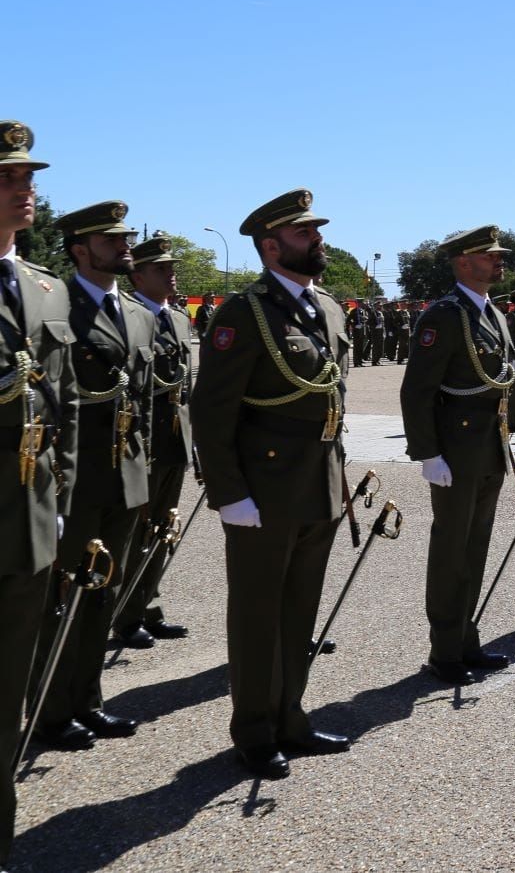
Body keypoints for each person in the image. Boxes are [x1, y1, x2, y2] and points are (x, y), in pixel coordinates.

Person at [191, 188, 353, 778]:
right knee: (259, 612)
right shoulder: (244, 312)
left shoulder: (329, 308)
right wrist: (229, 491)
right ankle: (254, 731)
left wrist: (337, 474)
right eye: (306, 233)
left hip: (316, 483)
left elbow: (333, 395)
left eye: (317, 231)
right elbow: (212, 410)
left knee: (300, 610)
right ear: (271, 245)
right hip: (263, 488)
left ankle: (291, 716)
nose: (318, 240)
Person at [30, 201, 155, 753]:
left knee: (104, 590)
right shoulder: (57, 305)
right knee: (64, 595)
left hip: (124, 473)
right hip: (76, 476)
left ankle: (88, 699)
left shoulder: (138, 312)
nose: (125, 245)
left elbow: (144, 396)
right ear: (80, 249)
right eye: (112, 239)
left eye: (126, 237)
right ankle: (51, 711)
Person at [0, 121, 79, 869]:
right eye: (9, 179)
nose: (27, 190)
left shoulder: (44, 287)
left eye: (28, 179)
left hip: (26, 521)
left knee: (9, 696)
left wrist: (62, 496)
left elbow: (65, 404)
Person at [400, 225, 515, 686]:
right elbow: (417, 391)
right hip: (456, 448)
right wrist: (428, 453)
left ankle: (467, 640)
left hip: (489, 446)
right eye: (490, 256)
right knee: (451, 551)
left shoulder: (493, 314)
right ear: (463, 262)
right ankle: (444, 652)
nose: (499, 261)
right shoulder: (444, 316)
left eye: (499, 255)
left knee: (476, 548)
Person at [115, 232, 195, 647]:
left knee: (164, 529)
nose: (171, 275)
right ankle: (124, 616)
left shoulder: (178, 318)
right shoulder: (128, 317)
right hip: (142, 446)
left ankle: (149, 606)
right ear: (138, 275)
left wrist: (194, 443)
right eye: (161, 269)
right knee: (135, 533)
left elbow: (187, 386)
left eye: (172, 268)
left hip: (174, 442)